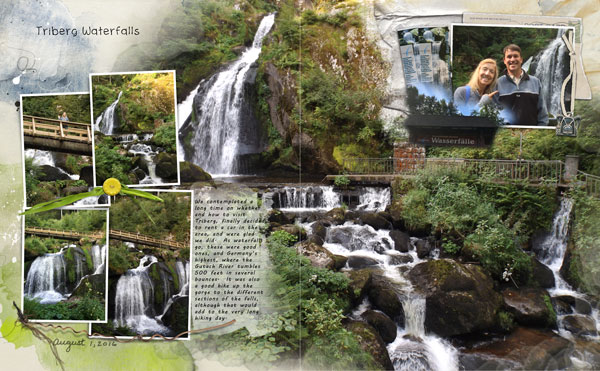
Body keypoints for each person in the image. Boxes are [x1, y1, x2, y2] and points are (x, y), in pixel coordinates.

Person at [496, 44, 548, 126]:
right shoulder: (497, 83)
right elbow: (494, 112)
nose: (512, 59)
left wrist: (541, 130)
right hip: (506, 135)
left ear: (521, 59)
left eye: (515, 56)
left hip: (531, 135)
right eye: (509, 57)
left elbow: (542, 112)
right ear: (504, 60)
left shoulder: (535, 82)